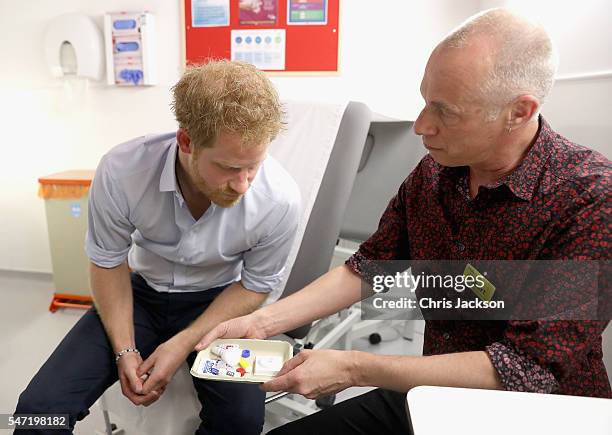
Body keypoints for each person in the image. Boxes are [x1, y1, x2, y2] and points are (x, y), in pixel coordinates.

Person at [196, 9, 612, 434]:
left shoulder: (591, 198)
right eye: (424, 100)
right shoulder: (435, 173)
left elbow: (525, 369)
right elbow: (370, 266)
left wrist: (355, 368)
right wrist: (261, 323)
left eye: (444, 111)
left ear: (519, 112)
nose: (420, 125)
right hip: (434, 396)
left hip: (538, 416)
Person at [15, 60, 300, 435]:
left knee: (241, 422)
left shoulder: (279, 200)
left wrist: (182, 344)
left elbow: (255, 285)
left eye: (254, 166)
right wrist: (125, 350)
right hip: (141, 296)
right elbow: (108, 261)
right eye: (230, 168)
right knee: (37, 410)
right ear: (186, 142)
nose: (243, 184)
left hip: (221, 307)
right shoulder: (122, 171)